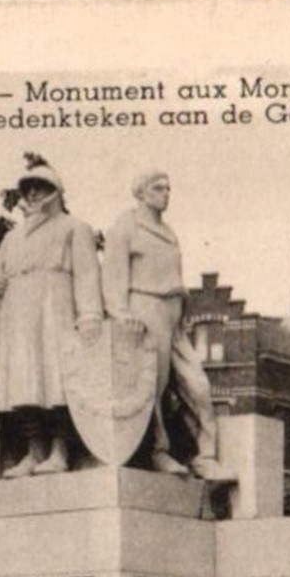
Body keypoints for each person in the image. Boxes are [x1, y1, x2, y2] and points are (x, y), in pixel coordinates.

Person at [102, 169, 233, 481]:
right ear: (142, 193)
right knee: (153, 384)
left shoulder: (170, 232)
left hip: (175, 314)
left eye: (168, 188)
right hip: (145, 309)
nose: (166, 194)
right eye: (159, 188)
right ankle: (158, 451)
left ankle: (205, 456)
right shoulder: (125, 228)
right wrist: (121, 315)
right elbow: (112, 279)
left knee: (197, 385)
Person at [0, 162, 104, 480]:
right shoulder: (11, 238)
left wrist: (89, 315)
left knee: (57, 382)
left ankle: (61, 449)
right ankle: (34, 449)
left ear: (54, 191)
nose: (32, 193)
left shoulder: (75, 227)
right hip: (18, 317)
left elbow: (87, 275)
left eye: (39, 186)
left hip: (56, 310)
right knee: (23, 384)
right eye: (27, 188)